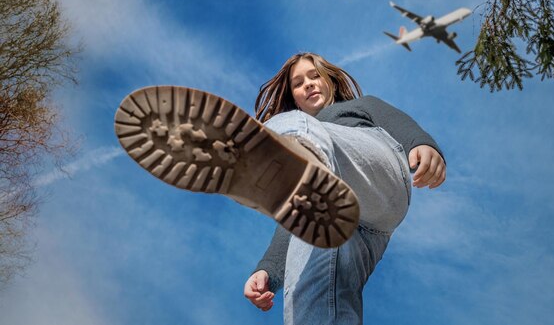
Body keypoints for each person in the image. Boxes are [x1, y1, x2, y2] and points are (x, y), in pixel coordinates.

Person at [114, 52, 445, 325]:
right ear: (293, 96)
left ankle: (281, 154)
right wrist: (267, 270)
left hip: (377, 179)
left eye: (314, 76)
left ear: (330, 80)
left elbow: (400, 122)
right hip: (335, 218)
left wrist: (422, 144)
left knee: (291, 130)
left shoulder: (358, 107)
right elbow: (290, 220)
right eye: (298, 84)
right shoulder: (297, 125)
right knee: (307, 301)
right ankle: (293, 163)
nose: (308, 85)